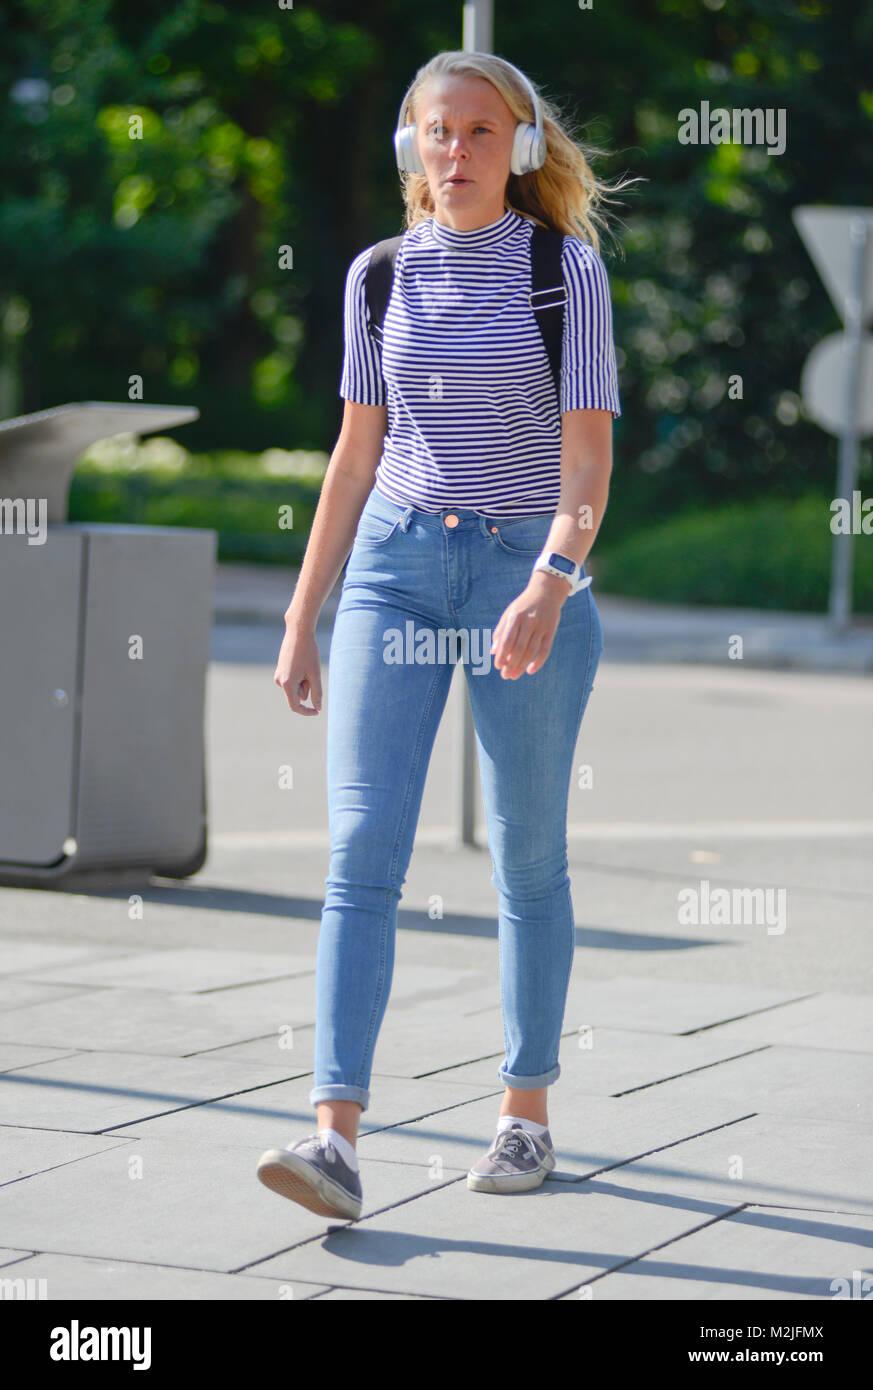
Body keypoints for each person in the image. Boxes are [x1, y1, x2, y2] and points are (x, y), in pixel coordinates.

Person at [257, 49, 633, 1222]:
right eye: (437, 130)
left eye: (480, 131)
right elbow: (354, 456)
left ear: (519, 147)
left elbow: (589, 460)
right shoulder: (377, 278)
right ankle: (335, 1139)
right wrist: (303, 610)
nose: (456, 151)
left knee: (528, 854)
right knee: (361, 851)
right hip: (395, 571)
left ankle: (525, 1115)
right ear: (410, 146)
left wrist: (552, 581)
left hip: (528, 567)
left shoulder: (562, 272)